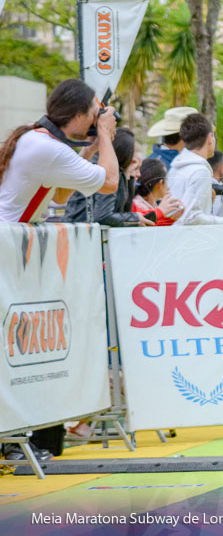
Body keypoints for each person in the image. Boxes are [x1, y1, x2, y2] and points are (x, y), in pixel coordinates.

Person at [0, 78, 122, 461]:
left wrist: (90, 143)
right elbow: (110, 183)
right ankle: (11, 441)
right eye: (93, 114)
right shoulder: (44, 146)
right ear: (84, 114)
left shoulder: (37, 140)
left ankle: (16, 440)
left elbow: (66, 191)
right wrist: (105, 136)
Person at [0, 78, 119, 224]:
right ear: (79, 116)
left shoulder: (36, 136)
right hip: (8, 236)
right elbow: (110, 183)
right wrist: (104, 132)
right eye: (92, 115)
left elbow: (59, 195)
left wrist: (87, 151)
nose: (94, 121)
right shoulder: (50, 149)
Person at [166, 113, 223, 226]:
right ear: (209, 138)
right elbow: (191, 218)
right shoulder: (200, 171)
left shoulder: (176, 166)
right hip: (190, 241)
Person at [64, 128, 152, 228]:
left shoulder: (116, 172)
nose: (139, 174)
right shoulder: (105, 171)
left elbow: (124, 210)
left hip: (82, 233)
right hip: (79, 234)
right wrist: (135, 218)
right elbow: (103, 216)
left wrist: (129, 175)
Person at [132, 158, 183, 226]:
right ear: (160, 183)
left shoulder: (150, 205)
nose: (168, 187)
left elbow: (154, 225)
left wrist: (171, 219)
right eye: (166, 180)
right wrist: (161, 211)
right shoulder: (136, 205)